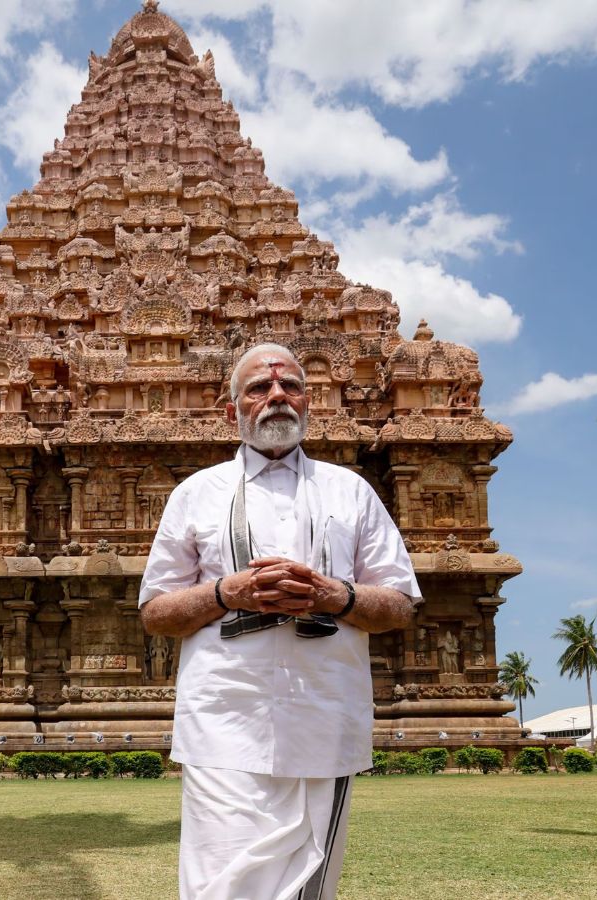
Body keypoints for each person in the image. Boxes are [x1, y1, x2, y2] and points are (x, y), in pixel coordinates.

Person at [140, 344, 421, 900]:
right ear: (232, 410)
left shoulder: (351, 491)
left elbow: (400, 605)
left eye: (290, 386)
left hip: (324, 713)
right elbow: (154, 612)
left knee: (307, 881)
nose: (277, 396)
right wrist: (227, 592)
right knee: (219, 883)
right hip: (223, 717)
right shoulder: (196, 494)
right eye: (259, 388)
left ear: (309, 401)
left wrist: (330, 594)